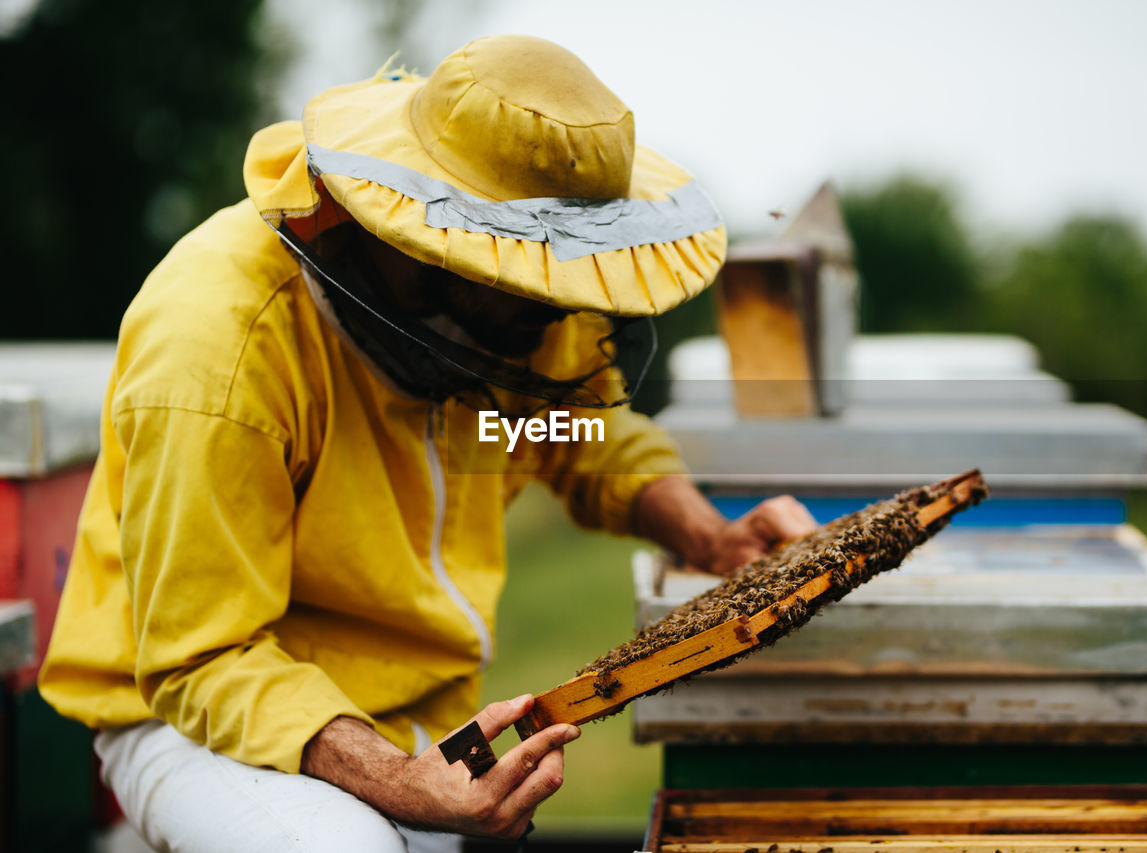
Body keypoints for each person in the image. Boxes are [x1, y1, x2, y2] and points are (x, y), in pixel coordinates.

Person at [38, 34, 817, 851]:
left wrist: (710, 532)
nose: (559, 316)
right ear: (442, 247)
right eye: (533, 286)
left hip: (418, 714)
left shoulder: (517, 300)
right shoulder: (220, 347)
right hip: (193, 719)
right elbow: (202, 658)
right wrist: (400, 782)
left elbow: (573, 432)